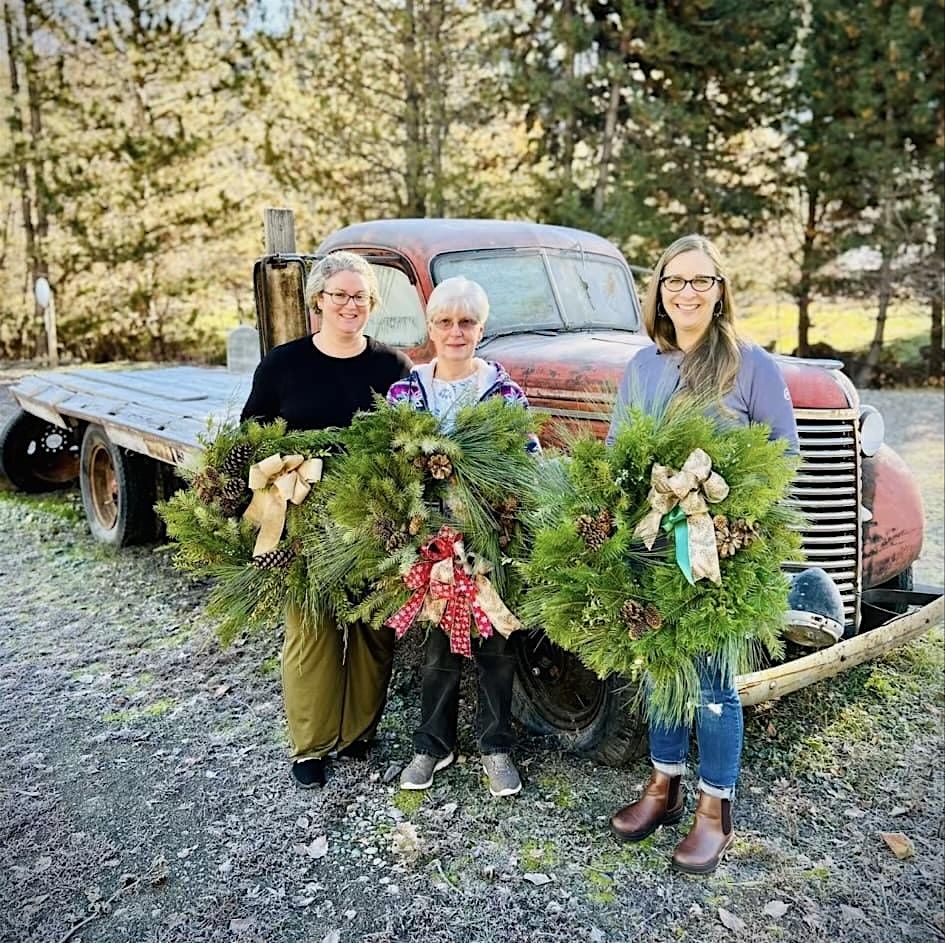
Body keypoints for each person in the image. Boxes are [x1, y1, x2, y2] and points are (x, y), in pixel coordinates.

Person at [606, 234, 799, 874]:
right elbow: (618, 454)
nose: (687, 293)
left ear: (720, 292)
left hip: (725, 551)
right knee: (662, 666)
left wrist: (735, 518)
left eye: (701, 281)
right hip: (658, 544)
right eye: (675, 282)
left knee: (716, 683)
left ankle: (716, 805)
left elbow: (784, 458)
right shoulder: (642, 366)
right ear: (659, 292)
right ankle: (664, 783)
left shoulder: (752, 366)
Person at [241, 251, 412, 789]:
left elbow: (408, 437)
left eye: (359, 296)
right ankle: (311, 745)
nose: (349, 304)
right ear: (318, 299)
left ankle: (359, 733)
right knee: (311, 628)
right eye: (338, 294)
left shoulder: (391, 367)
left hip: (373, 516)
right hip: (303, 517)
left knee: (372, 628)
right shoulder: (282, 365)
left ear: (372, 304)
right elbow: (254, 435)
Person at [386, 276, 540, 798]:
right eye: (445, 322)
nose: (456, 332)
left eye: (467, 322)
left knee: (497, 641)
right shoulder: (407, 392)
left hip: (490, 537)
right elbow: (388, 464)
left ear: (482, 327)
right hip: (431, 542)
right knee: (438, 647)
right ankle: (433, 744)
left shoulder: (503, 393)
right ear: (429, 327)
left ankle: (495, 746)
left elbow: (528, 460)